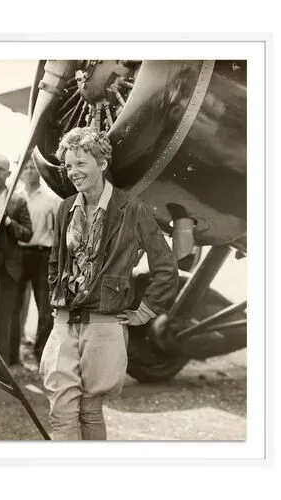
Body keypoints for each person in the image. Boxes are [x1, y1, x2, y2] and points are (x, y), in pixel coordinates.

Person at [40, 127, 178, 440]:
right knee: (60, 411)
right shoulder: (65, 209)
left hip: (104, 326)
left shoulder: (133, 210)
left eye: (80, 164)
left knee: (90, 410)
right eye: (69, 165)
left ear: (102, 164)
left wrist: (145, 312)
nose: (72, 172)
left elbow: (165, 267)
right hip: (64, 322)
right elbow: (54, 263)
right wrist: (55, 299)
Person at [0, 155, 33, 380]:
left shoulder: (17, 201)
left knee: (4, 321)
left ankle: (2, 369)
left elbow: (27, 234)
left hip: (8, 270)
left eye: (2, 169)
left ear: (9, 173)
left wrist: (10, 222)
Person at [10, 158, 62, 365]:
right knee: (14, 306)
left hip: (43, 255)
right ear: (20, 172)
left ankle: (42, 354)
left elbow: (60, 229)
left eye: (33, 167)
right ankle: (11, 355)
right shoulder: (14, 198)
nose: (30, 171)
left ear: (39, 171)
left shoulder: (51, 198)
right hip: (19, 255)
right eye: (26, 168)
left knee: (46, 308)